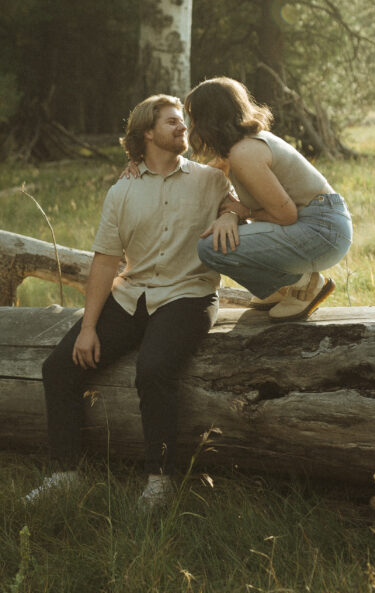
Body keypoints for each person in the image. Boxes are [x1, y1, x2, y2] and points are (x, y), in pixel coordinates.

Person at [26, 94, 231, 509]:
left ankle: (159, 482)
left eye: (183, 121)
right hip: (132, 292)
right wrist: (87, 328)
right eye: (172, 122)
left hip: (188, 294)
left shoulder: (211, 179)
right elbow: (105, 262)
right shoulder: (123, 189)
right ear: (147, 133)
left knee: (152, 368)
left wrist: (229, 211)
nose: (182, 128)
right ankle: (65, 475)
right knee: (59, 369)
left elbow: (248, 189)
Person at [183, 76, 353, 321]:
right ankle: (282, 288)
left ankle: (303, 284)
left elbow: (286, 215)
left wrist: (242, 212)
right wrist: (139, 162)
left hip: (321, 232)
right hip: (321, 226)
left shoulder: (245, 152)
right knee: (219, 240)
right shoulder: (240, 148)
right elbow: (205, 175)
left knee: (210, 248)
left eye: (194, 116)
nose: (192, 125)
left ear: (209, 118)